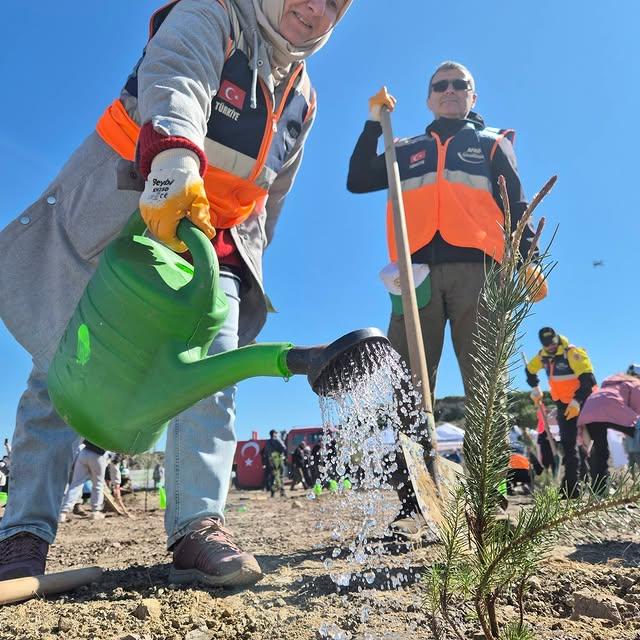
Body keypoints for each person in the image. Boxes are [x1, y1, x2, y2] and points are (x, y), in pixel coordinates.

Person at [0, 0, 352, 585]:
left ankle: (197, 527)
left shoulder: (303, 98)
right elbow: (178, 76)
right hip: (131, 205)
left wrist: (249, 260)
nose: (314, 8)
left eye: (335, 2)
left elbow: (273, 192)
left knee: (213, 381)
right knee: (61, 365)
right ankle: (24, 532)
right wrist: (174, 157)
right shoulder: (214, 13)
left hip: (213, 244)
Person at [347, 60, 545, 536]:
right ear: (429, 98)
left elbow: (516, 204)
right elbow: (357, 179)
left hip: (479, 271)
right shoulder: (405, 146)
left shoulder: (493, 143)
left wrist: (528, 259)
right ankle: (413, 501)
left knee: (485, 386)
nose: (451, 90)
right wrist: (373, 122)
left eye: (461, 85)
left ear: (473, 97)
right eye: (441, 85)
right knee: (409, 390)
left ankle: (485, 500)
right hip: (414, 277)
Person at [525, 327, 596, 497]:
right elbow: (529, 370)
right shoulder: (543, 356)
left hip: (585, 402)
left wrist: (577, 402)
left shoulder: (572, 353)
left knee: (588, 444)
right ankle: (571, 488)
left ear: (557, 339)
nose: (550, 347)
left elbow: (588, 380)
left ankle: (596, 484)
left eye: (552, 343)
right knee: (568, 445)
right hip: (564, 406)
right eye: (546, 345)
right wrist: (535, 388)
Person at [577, 366, 640, 493]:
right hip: (613, 408)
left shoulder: (608, 384)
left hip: (590, 410)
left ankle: (599, 489)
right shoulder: (635, 383)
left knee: (600, 452)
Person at [58, 441, 109, 522]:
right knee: (98, 484)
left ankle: (63, 513)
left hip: (84, 452)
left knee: (76, 484)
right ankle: (96, 512)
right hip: (98, 454)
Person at [262, 430, 287, 497]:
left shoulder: (267, 442)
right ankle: (282, 492)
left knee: (273, 476)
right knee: (280, 476)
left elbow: (265, 452)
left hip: (271, 461)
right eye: (276, 433)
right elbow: (284, 447)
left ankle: (273, 493)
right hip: (278, 459)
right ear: (274, 434)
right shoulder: (277, 440)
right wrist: (281, 454)